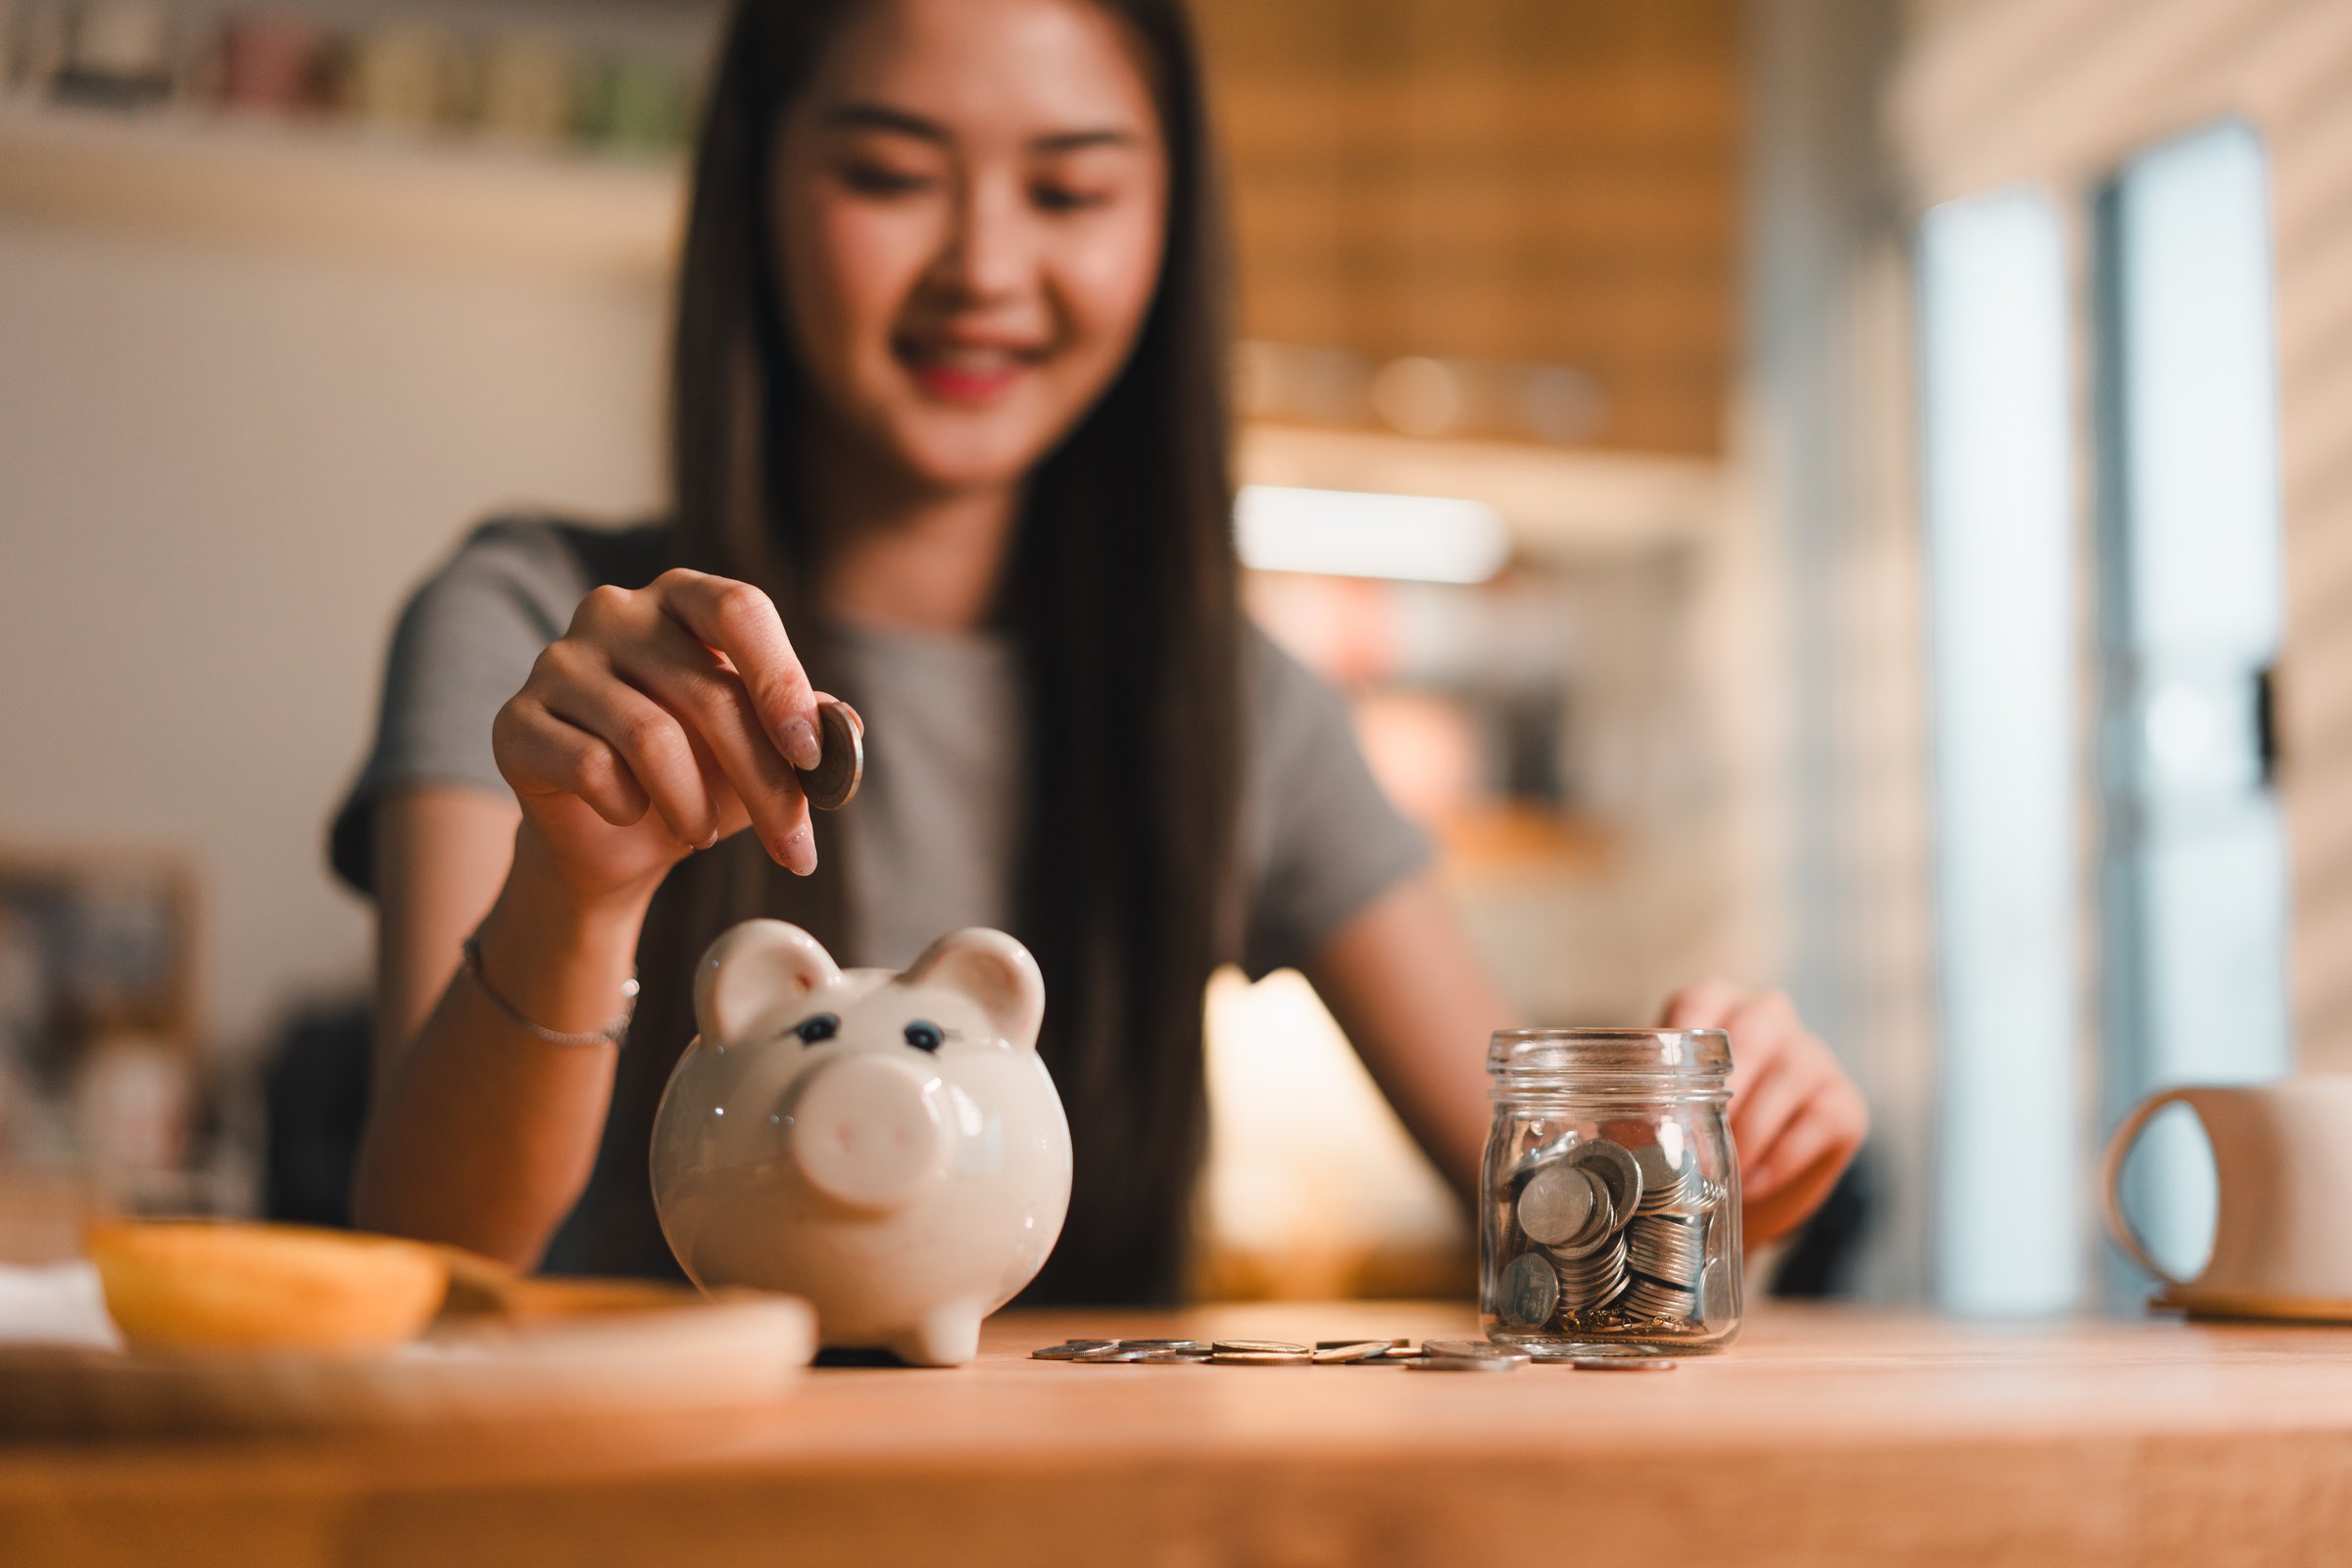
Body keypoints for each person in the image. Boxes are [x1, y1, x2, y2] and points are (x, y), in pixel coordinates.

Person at [331, 0, 1866, 1300]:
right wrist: (580, 889)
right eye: (888, 174)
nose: (986, 267)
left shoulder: (1234, 704)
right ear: (756, 191)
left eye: (1069, 193)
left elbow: (1558, 1206)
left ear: (1167, 224)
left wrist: (1711, 1170)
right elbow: (425, 1262)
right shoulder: (544, 636)